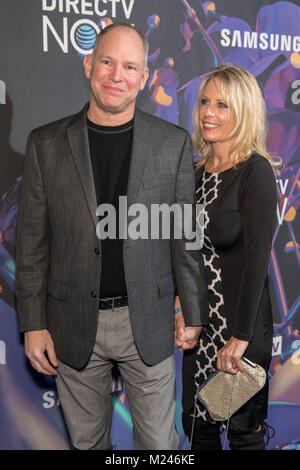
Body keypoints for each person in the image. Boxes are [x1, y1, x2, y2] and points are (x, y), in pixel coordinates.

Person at [15, 23, 208, 450]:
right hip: (71, 322)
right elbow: (31, 244)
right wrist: (32, 323)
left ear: (144, 76)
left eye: (129, 66)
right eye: (107, 61)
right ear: (88, 64)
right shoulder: (45, 144)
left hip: (151, 320)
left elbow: (184, 236)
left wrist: (190, 308)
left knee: (160, 447)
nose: (116, 74)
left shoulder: (172, 144)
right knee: (87, 444)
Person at [175, 64, 278, 450]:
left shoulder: (256, 172)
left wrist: (241, 337)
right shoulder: (194, 172)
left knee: (242, 437)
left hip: (240, 330)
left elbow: (257, 262)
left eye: (222, 105)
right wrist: (181, 307)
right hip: (201, 331)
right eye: (205, 102)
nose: (208, 113)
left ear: (243, 112)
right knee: (199, 431)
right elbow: (184, 253)